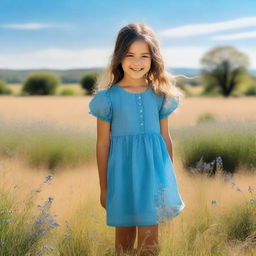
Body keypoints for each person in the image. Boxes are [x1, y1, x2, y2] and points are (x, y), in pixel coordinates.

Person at [88, 23, 186, 256]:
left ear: (153, 59)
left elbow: (165, 138)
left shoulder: (161, 96)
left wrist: (167, 180)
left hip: (153, 178)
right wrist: (104, 188)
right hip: (121, 177)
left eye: (144, 56)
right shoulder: (107, 99)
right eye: (130, 55)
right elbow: (103, 145)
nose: (137, 61)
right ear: (119, 57)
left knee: (149, 245)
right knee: (123, 245)